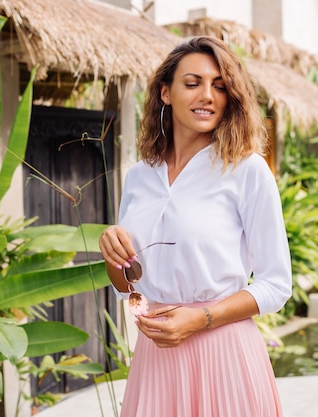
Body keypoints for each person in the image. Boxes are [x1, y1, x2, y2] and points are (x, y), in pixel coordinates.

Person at [98, 36, 292, 417]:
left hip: (224, 355)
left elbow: (276, 285)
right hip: (156, 359)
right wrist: (112, 256)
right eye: (193, 83)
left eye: (220, 86)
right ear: (166, 93)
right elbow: (129, 289)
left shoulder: (247, 170)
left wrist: (200, 319)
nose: (208, 95)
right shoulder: (139, 176)